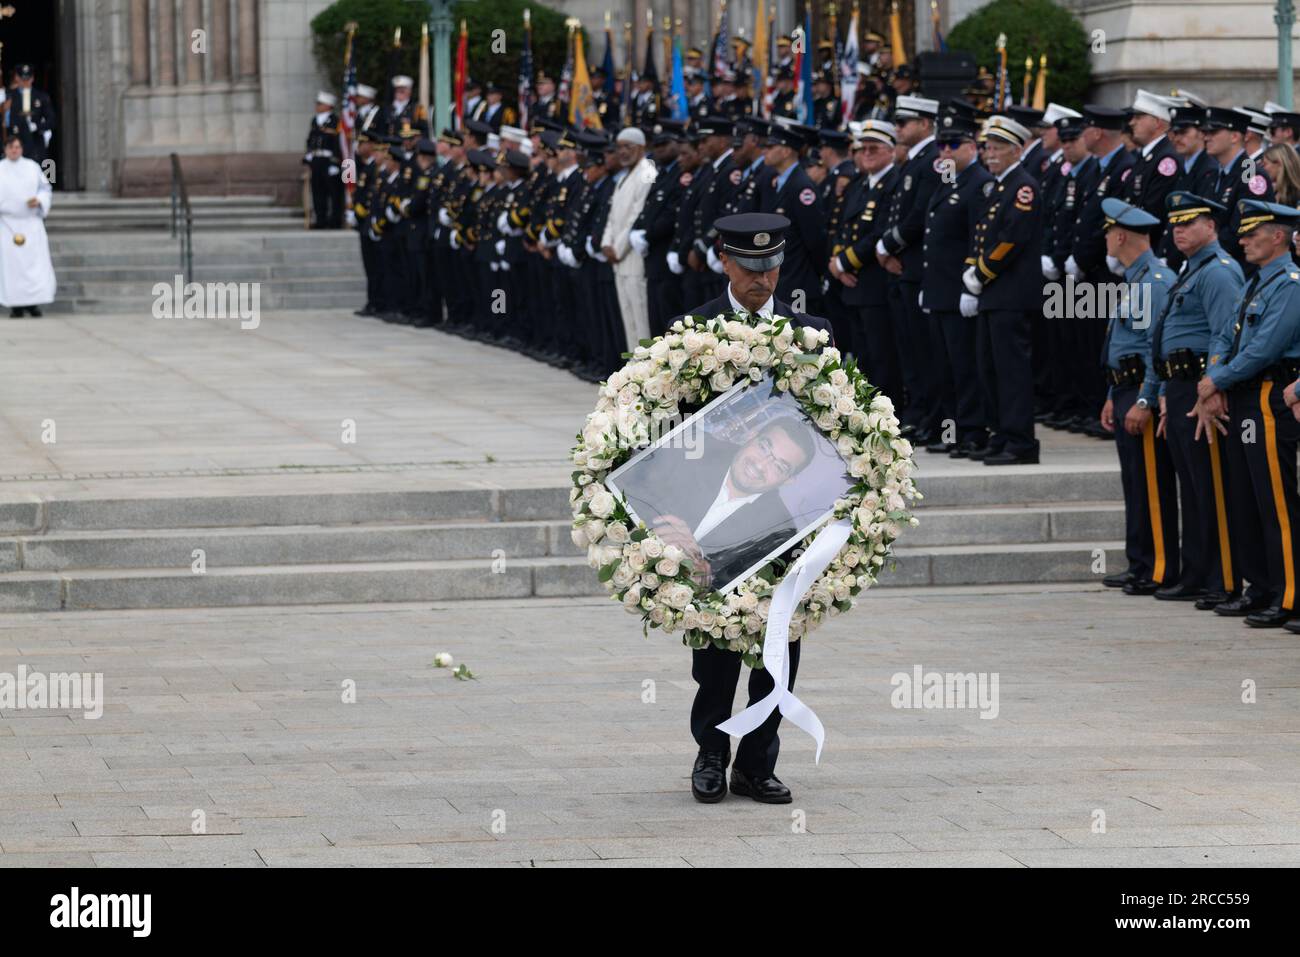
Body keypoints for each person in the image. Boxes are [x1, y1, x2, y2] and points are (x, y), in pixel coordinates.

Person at [676, 212, 832, 806]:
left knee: (780, 648)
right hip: (716, 512)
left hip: (786, 518)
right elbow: (669, 429)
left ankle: (757, 762)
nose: (760, 279)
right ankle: (711, 753)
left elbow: (832, 425)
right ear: (724, 260)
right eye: (748, 268)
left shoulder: (812, 333)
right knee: (715, 651)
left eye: (770, 268)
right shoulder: (692, 331)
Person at [1197, 200, 1300, 627]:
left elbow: (1266, 347)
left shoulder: (1290, 283)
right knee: (1246, 498)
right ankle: (1259, 587)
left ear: (1278, 236)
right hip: (1242, 396)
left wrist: (1216, 381)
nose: (1242, 240)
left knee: (1277, 502)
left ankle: (1291, 594)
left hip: (1269, 395)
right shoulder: (1256, 281)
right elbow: (1224, 335)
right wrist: (1214, 376)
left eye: (1251, 233)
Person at [1143, 192, 1242, 602]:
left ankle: (1223, 579)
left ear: (1211, 227)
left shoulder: (1217, 272)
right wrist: (1165, 391)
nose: (1178, 230)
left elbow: (1226, 333)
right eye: (1175, 224)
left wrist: (1211, 387)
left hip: (1202, 387)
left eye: (1189, 223)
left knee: (1212, 488)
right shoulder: (1191, 269)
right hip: (1181, 385)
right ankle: (1197, 572)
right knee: (1193, 486)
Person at [1097, 197, 1179, 595]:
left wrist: (1146, 400)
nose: (1106, 240)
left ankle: (1159, 566)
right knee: (1135, 480)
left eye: (1109, 232)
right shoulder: (1135, 279)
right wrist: (1114, 395)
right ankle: (1140, 562)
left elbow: (1153, 349)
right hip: (1125, 387)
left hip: (1140, 390)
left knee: (1151, 482)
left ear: (1122, 235)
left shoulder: (1155, 282)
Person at [962, 115, 1043, 465]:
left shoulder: (1022, 186)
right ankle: (1001, 431)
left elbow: (1012, 238)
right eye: (988, 148)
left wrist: (981, 272)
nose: (990, 155)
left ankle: (1020, 441)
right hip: (994, 293)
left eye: (998, 149)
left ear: (1017, 151)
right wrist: (973, 270)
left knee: (1011, 371)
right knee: (989, 367)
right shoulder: (1000, 185)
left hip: (1011, 292)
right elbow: (983, 234)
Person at [921, 110, 993, 456]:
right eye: (940, 145)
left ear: (972, 146)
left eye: (953, 145)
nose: (944, 152)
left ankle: (973, 432)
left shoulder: (979, 183)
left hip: (960, 290)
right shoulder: (948, 182)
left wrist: (970, 286)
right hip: (939, 290)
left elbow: (976, 240)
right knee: (944, 369)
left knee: (964, 368)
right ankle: (952, 431)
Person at [601, 127, 656, 351]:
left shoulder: (648, 170)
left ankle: (645, 371)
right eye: (619, 147)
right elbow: (612, 216)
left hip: (632, 254)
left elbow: (638, 212)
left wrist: (618, 247)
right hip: (617, 256)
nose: (622, 152)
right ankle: (632, 370)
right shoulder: (622, 177)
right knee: (627, 317)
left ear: (641, 147)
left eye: (628, 147)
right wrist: (606, 243)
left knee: (640, 316)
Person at [0, 134, 55, 317]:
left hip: (31, 224)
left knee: (34, 266)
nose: (14, 150)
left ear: (21, 148)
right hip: (7, 225)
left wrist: (39, 200)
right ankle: (15, 306)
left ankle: (33, 305)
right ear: (5, 150)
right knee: (12, 268)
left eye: (17, 147)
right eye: (11, 147)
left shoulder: (33, 167)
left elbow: (45, 189)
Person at [304, 92, 344, 229]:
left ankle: (334, 220)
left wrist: (335, 162)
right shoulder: (315, 120)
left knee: (333, 192)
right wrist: (308, 154)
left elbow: (338, 143)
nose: (317, 106)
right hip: (316, 159)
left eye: (320, 104)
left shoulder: (335, 120)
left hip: (329, 160)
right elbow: (311, 139)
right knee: (317, 191)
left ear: (328, 106)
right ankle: (320, 219)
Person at [2, 64, 55, 166]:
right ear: (17, 78)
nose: (25, 82)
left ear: (32, 78)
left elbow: (52, 121)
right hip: (14, 146)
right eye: (22, 79)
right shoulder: (8, 96)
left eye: (28, 78)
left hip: (35, 146)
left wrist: (37, 126)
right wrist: (5, 111)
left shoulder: (41, 96)